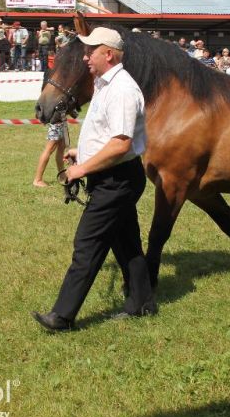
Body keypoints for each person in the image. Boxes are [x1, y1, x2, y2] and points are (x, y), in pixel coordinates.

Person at [33, 27, 156, 331]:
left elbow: (121, 143)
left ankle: (61, 317)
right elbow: (106, 134)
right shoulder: (104, 85)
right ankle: (142, 304)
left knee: (86, 244)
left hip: (117, 180)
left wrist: (82, 169)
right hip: (114, 176)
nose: (85, 57)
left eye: (91, 51)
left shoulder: (123, 90)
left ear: (109, 54)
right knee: (126, 243)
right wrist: (81, 152)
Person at [32, 122, 66, 187]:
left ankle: (62, 176)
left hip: (61, 121)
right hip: (56, 122)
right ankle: (37, 180)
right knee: (49, 149)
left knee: (62, 146)